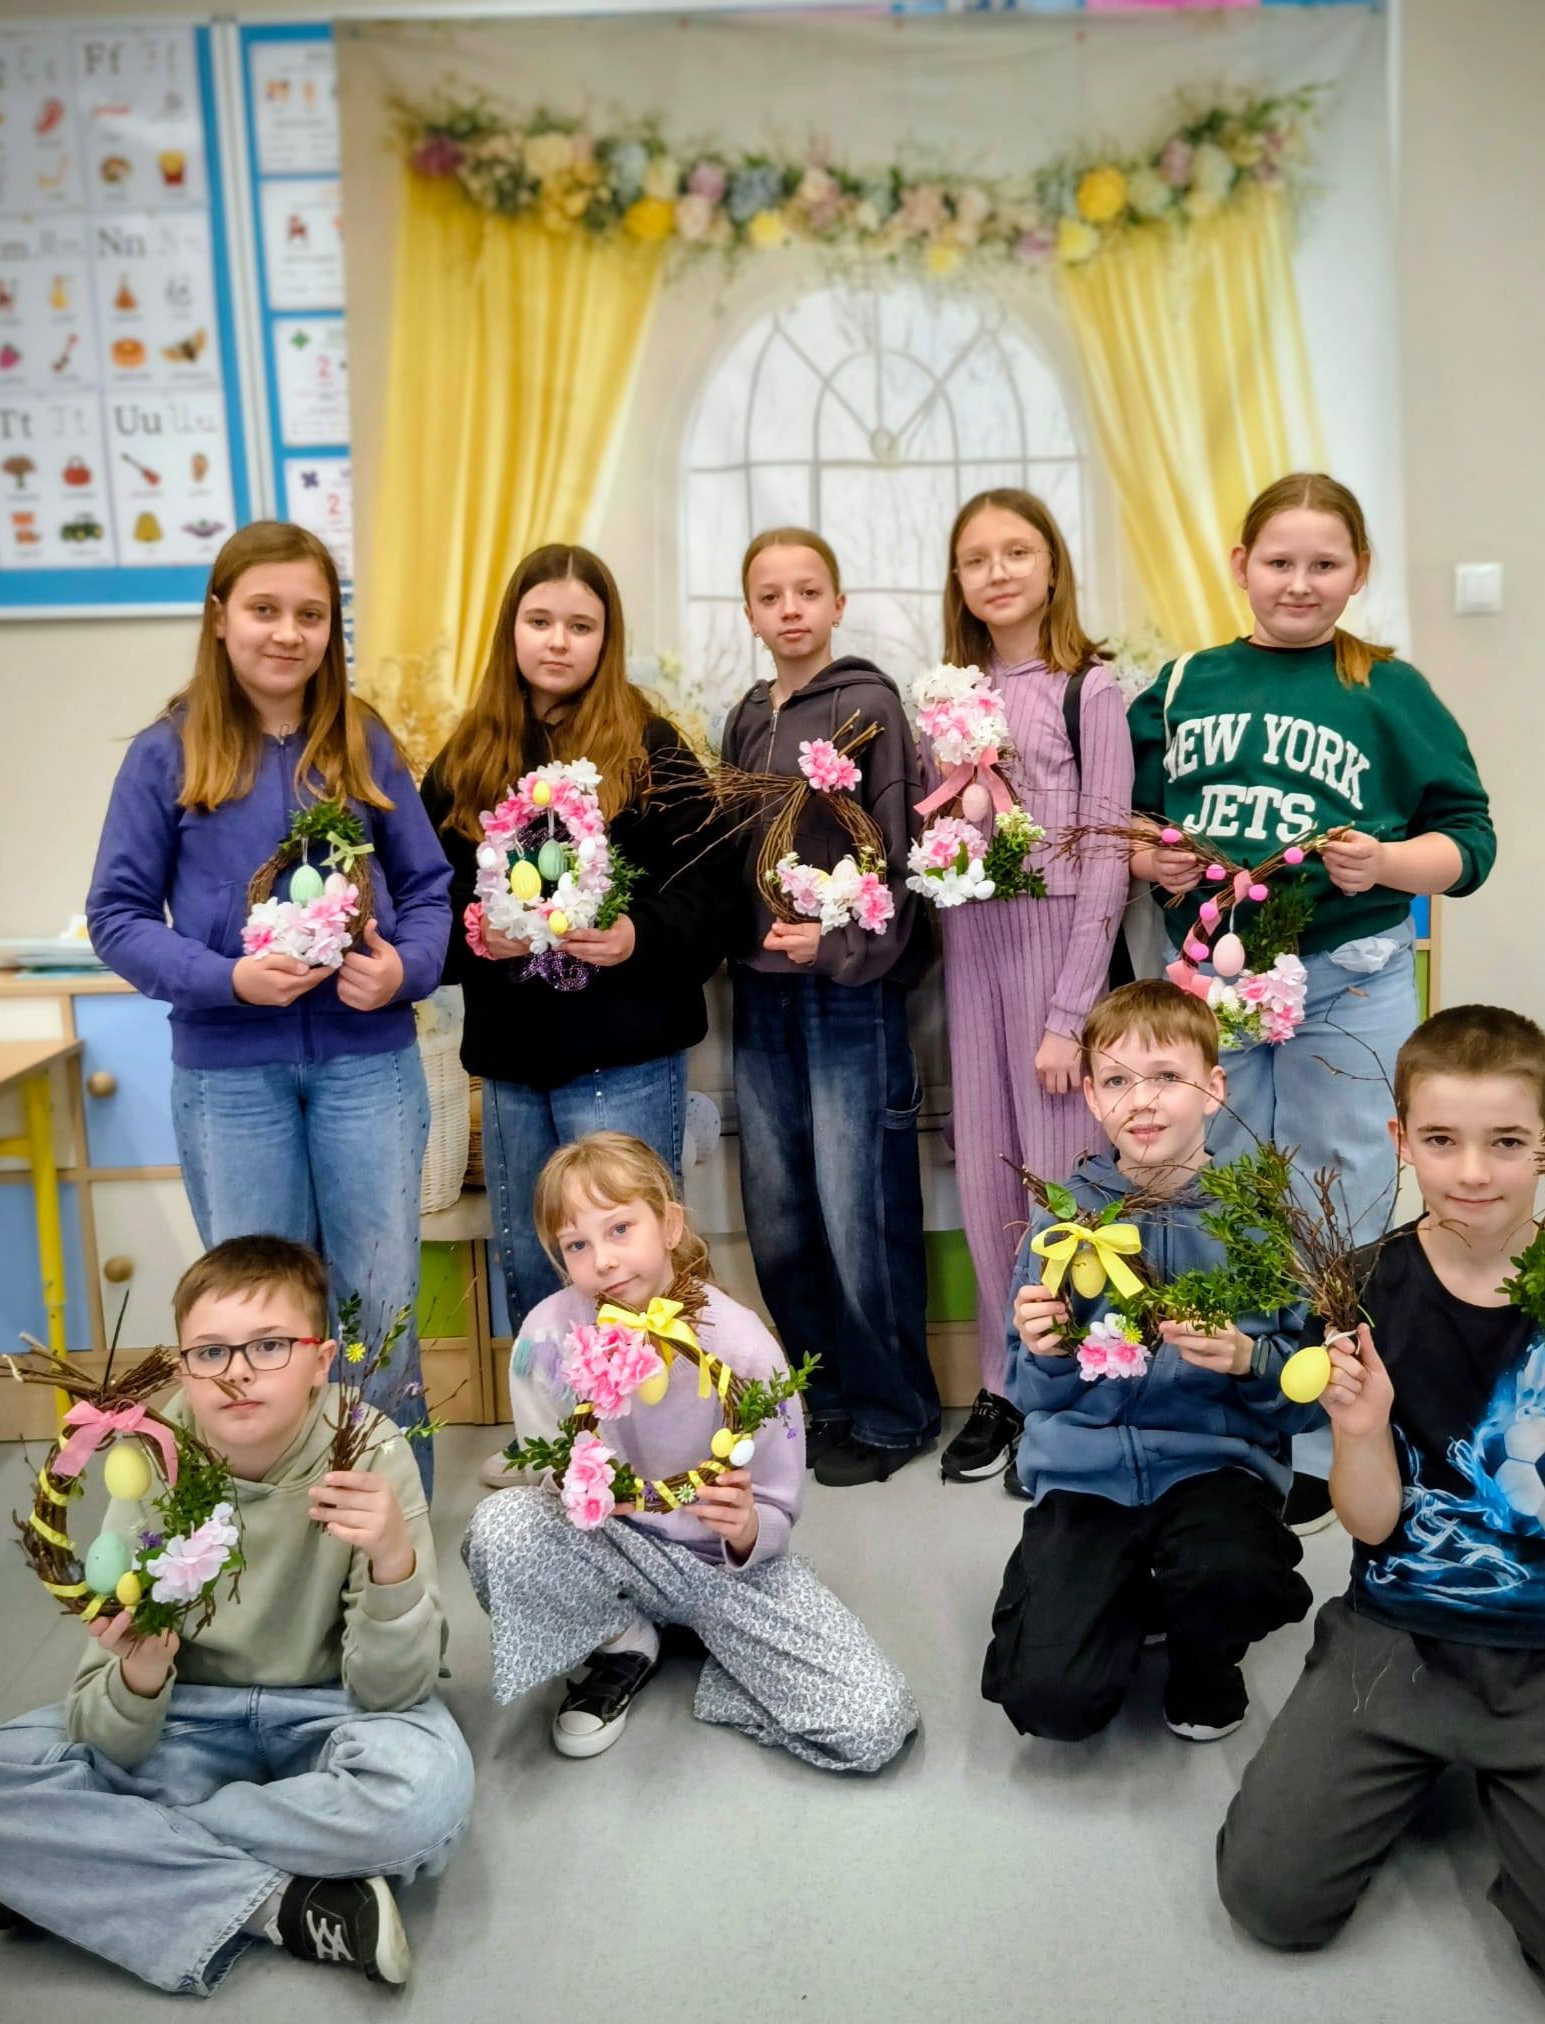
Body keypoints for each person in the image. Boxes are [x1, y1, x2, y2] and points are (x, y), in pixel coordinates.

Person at [1217, 1007, 1545, 2019]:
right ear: (1400, 1139)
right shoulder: (1362, 1288)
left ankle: (1516, 1785)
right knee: (1268, 1897)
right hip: (1397, 1633)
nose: (1472, 1172)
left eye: (1506, 1142)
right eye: (1441, 1139)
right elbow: (1371, 1525)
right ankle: (1417, 1754)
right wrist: (1359, 1428)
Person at [0, 1235, 473, 1995]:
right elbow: (102, 1731)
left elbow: (393, 1692)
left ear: (321, 1361)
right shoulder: (150, 1457)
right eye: (211, 1352)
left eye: (269, 1346)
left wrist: (392, 1562)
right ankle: (281, 1904)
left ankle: (92, 1865)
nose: (237, 1371)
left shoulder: (369, 1449)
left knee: (423, 1795)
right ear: (182, 1367)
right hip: (190, 1717)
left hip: (332, 1712)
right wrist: (140, 1676)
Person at [1127, 471, 1495, 1532]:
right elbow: (1136, 817)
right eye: (1279, 561)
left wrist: (1387, 861)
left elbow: (1468, 842)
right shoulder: (1182, 683)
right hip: (1216, 983)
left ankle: (1332, 1425)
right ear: (1239, 565)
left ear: (1358, 571)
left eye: (1324, 564)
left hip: (1348, 977)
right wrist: (1151, 855)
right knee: (1220, 1185)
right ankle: (1238, 1416)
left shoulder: (1387, 687)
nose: (1299, 582)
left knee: (1341, 1193)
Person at [86, 522, 452, 1490]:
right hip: (230, 1079)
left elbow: (428, 888)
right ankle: (281, 1522)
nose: (287, 633)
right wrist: (227, 979)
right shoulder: (166, 754)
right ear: (219, 618)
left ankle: (390, 1525)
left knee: (379, 1308)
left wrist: (405, 971)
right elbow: (117, 916)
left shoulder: (365, 742)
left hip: (367, 1065)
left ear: (332, 628)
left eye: (310, 614)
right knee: (261, 1318)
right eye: (264, 609)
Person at [421, 544, 731, 1486]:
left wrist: (638, 934)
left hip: (625, 1057)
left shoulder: (649, 745)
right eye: (541, 621)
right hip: (515, 1065)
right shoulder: (469, 755)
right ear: (511, 630)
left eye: (581, 626)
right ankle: (557, 1440)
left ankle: (656, 1443)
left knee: (633, 1262)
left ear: (608, 637)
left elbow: (711, 891)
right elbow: (426, 905)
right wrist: (474, 934)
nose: (558, 641)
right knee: (534, 1258)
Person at [462, 1133, 919, 1772]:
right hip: (614, 1548)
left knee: (875, 1722)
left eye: (620, 1229)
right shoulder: (546, 1336)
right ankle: (622, 1639)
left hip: (723, 1568)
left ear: (670, 1225)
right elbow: (549, 1472)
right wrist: (580, 1490)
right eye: (577, 1245)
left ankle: (715, 1651)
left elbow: (777, 1500)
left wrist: (749, 1528)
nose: (604, 1260)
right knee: (499, 1529)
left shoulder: (742, 1347)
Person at [983, 980, 1317, 1745]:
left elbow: (1305, 1398)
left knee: (1230, 1572)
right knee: (1050, 1702)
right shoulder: (1063, 1221)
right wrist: (1048, 1352)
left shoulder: (1258, 1224)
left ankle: (1205, 1659)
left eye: (1167, 1076)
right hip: (1087, 1474)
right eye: (1117, 1081)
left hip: (1214, 1469)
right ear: (1092, 1099)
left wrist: (1248, 1359)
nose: (1142, 1101)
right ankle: (1117, 1589)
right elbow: (1029, 1391)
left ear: (1213, 1087)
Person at [721, 527, 941, 1484]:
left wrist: (843, 945)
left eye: (808, 591)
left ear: (838, 604)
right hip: (759, 995)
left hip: (847, 994)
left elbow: (895, 852)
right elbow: (729, 847)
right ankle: (828, 1398)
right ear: (750, 613)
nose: (791, 609)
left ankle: (896, 1412)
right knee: (779, 1213)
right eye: (771, 595)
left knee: (860, 1211)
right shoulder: (743, 716)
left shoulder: (869, 704)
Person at [930, 489, 1134, 1490]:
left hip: (1057, 959)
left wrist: (1069, 1017)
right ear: (958, 582)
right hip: (973, 953)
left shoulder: (1090, 689)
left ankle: (1069, 1389)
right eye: (977, 559)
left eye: (1017, 552)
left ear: (1052, 565)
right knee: (986, 1186)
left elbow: (1109, 858)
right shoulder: (947, 695)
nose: (998, 572)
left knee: (1061, 1188)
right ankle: (1001, 1382)